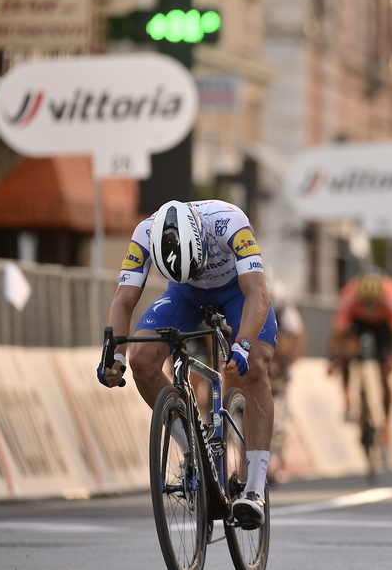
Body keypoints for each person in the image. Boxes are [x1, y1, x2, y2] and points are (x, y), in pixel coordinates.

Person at [97, 199, 277, 529]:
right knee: (141, 359)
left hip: (237, 292)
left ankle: (254, 490)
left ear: (202, 240)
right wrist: (116, 355)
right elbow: (123, 300)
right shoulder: (144, 232)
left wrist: (243, 344)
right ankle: (190, 446)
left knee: (255, 363)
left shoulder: (229, 223)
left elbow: (257, 293)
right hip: (186, 294)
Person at [329, 270, 392, 446]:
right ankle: (348, 400)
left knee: (384, 375)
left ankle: (387, 425)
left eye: (373, 303)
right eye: (365, 303)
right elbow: (337, 335)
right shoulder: (349, 296)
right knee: (346, 355)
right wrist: (334, 358)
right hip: (357, 322)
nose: (369, 308)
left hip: (384, 326)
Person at [267, 278, 308, 484]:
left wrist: (288, 364)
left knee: (282, 343)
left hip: (279, 329)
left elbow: (298, 335)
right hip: (251, 321)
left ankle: (278, 376)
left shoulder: (281, 299)